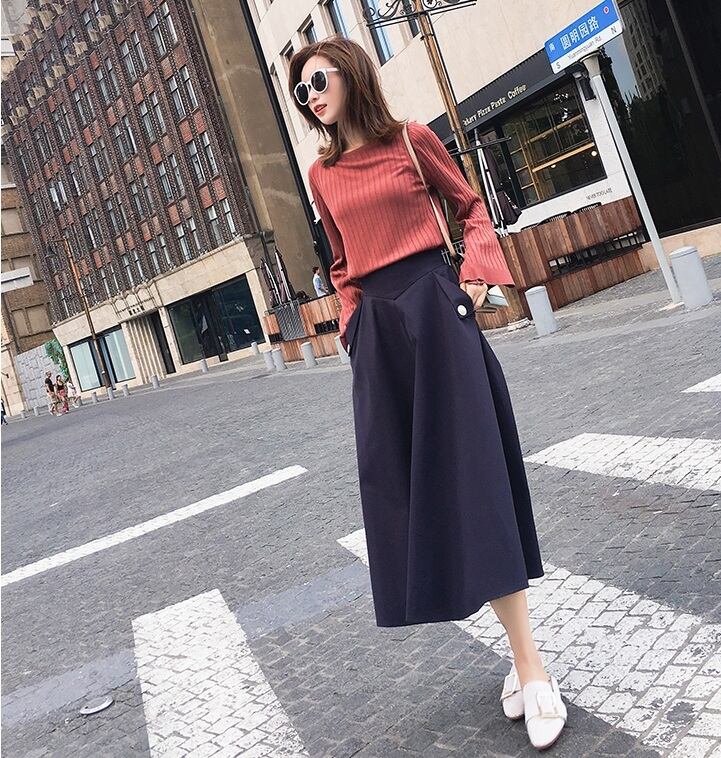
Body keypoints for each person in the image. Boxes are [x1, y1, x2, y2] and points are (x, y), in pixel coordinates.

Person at [289, 38, 566, 751]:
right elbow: (342, 263)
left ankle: (532, 667)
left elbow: (471, 208)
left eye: (317, 80)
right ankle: (519, 660)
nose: (310, 97)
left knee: (475, 482)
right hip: (380, 338)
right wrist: (352, 324)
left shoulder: (412, 141)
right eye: (299, 92)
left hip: (438, 314)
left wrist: (472, 279)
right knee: (411, 494)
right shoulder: (322, 176)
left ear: (350, 73)